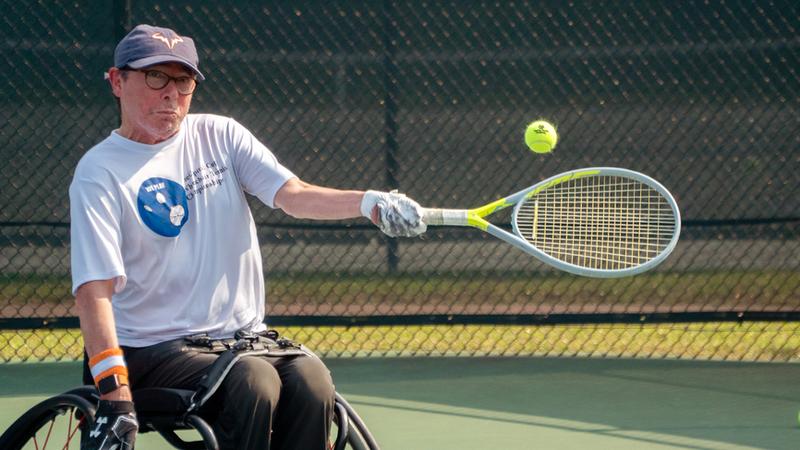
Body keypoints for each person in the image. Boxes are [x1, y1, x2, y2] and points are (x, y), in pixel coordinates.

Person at [70, 24, 426, 450]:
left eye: (182, 80)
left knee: (312, 380)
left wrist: (370, 202)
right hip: (150, 351)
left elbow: (293, 195)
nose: (170, 93)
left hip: (241, 339)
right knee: (253, 381)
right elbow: (94, 292)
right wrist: (114, 395)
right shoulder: (98, 172)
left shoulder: (221, 135)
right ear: (117, 81)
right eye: (155, 76)